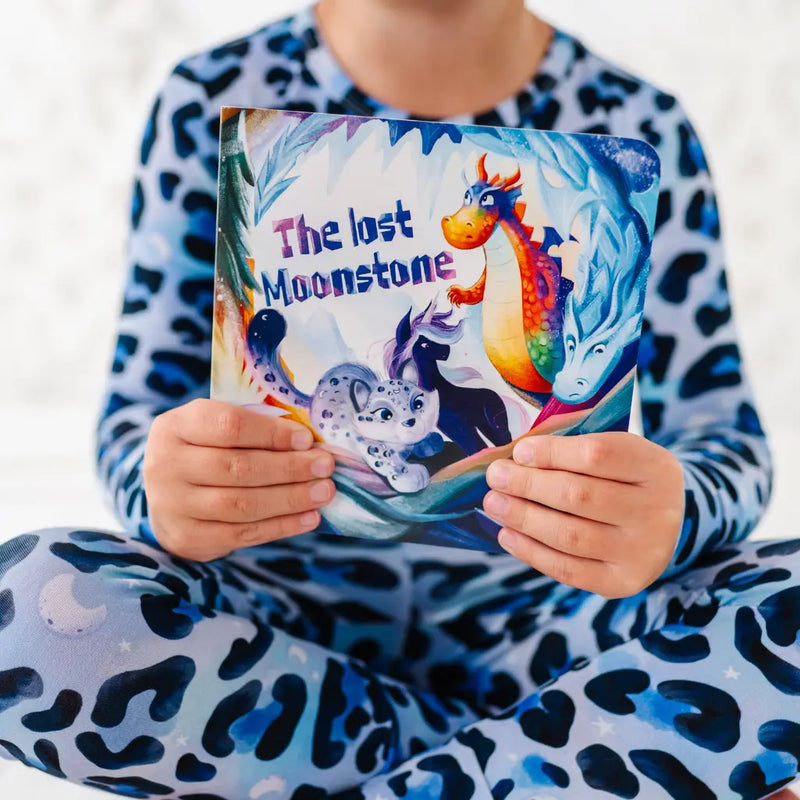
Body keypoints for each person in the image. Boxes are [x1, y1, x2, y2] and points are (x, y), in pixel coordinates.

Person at [0, 1, 797, 798]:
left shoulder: (640, 124)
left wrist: (677, 511)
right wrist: (162, 486)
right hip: (273, 617)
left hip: (556, 625)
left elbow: (719, 428)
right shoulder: (205, 97)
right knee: (28, 610)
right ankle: (535, 766)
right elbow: (140, 406)